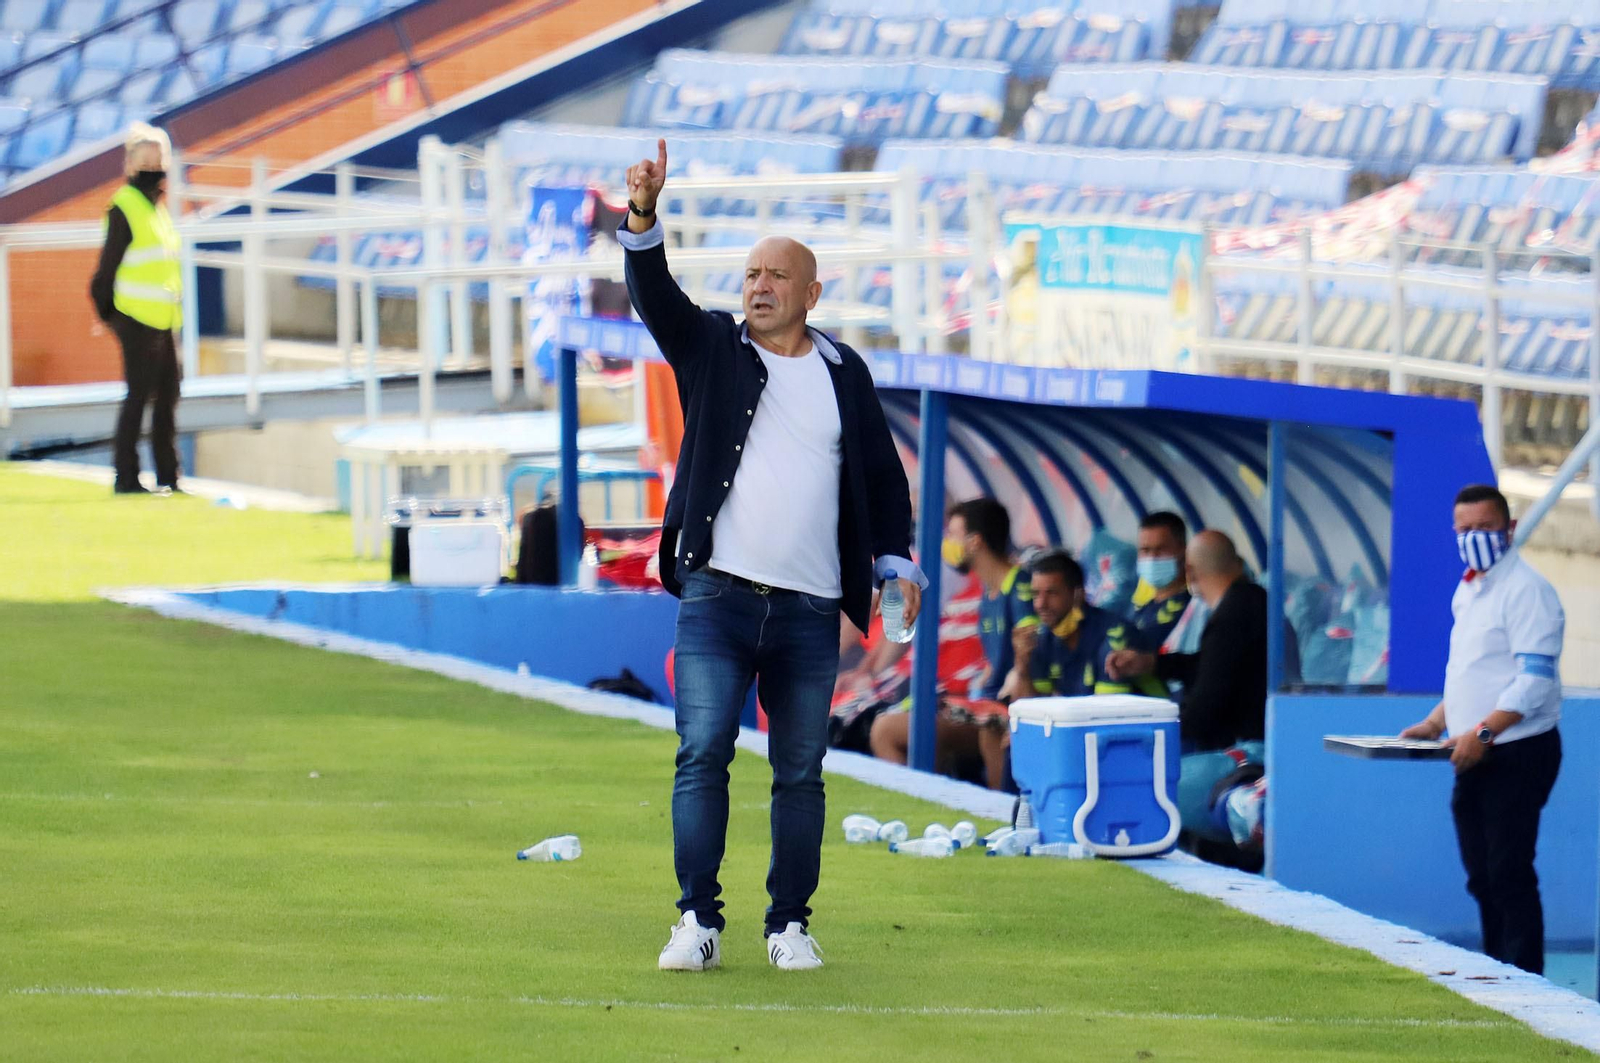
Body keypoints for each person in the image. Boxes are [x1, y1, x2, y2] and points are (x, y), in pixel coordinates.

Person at [620, 139, 925, 974]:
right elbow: (653, 293)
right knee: (702, 752)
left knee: (800, 772)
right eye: (751, 273)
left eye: (776, 275)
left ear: (811, 293)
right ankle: (697, 919)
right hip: (716, 599)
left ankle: (788, 923)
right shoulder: (712, 349)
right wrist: (643, 213)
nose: (758, 285)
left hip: (809, 610)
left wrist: (894, 563)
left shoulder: (844, 372)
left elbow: (881, 480)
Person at [1399, 484, 1563, 975]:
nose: (1474, 537)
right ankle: (1497, 969)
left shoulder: (1527, 591)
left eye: (1485, 527)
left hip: (1516, 750)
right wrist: (1436, 722)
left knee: (1508, 870)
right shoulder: (1469, 590)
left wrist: (1483, 733)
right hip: (1473, 750)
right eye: (1464, 529)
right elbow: (1472, 672)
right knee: (1481, 874)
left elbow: (1534, 680)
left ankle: (1525, 977)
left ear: (1509, 528)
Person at [1106, 531, 1272, 844]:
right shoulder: (1252, 600)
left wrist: (1153, 733)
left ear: (1190, 571)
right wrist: (1153, 663)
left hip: (1249, 753)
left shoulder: (1232, 616)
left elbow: (1205, 706)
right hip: (1258, 742)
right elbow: (1212, 665)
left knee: (1155, 783)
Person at [869, 497, 1032, 789]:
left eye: (953, 535)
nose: (947, 544)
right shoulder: (989, 592)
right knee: (891, 725)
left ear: (975, 542)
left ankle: (990, 807)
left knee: (887, 730)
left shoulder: (1020, 586)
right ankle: (927, 803)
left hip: (1011, 706)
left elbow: (1029, 655)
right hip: (983, 704)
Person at [90, 123, 183, 495]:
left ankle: (169, 478)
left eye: (158, 162)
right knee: (138, 396)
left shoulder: (157, 209)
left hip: (163, 319)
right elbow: (105, 273)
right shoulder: (125, 206)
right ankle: (126, 477)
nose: (153, 168)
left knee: (169, 396)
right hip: (135, 318)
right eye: (145, 161)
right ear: (129, 164)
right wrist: (111, 317)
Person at [1015, 550, 1132, 697]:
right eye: (1036, 594)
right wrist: (1022, 667)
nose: (1040, 604)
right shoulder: (1042, 639)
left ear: (1078, 595)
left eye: (1052, 593)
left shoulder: (1114, 633)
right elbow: (1032, 705)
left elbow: (1107, 707)